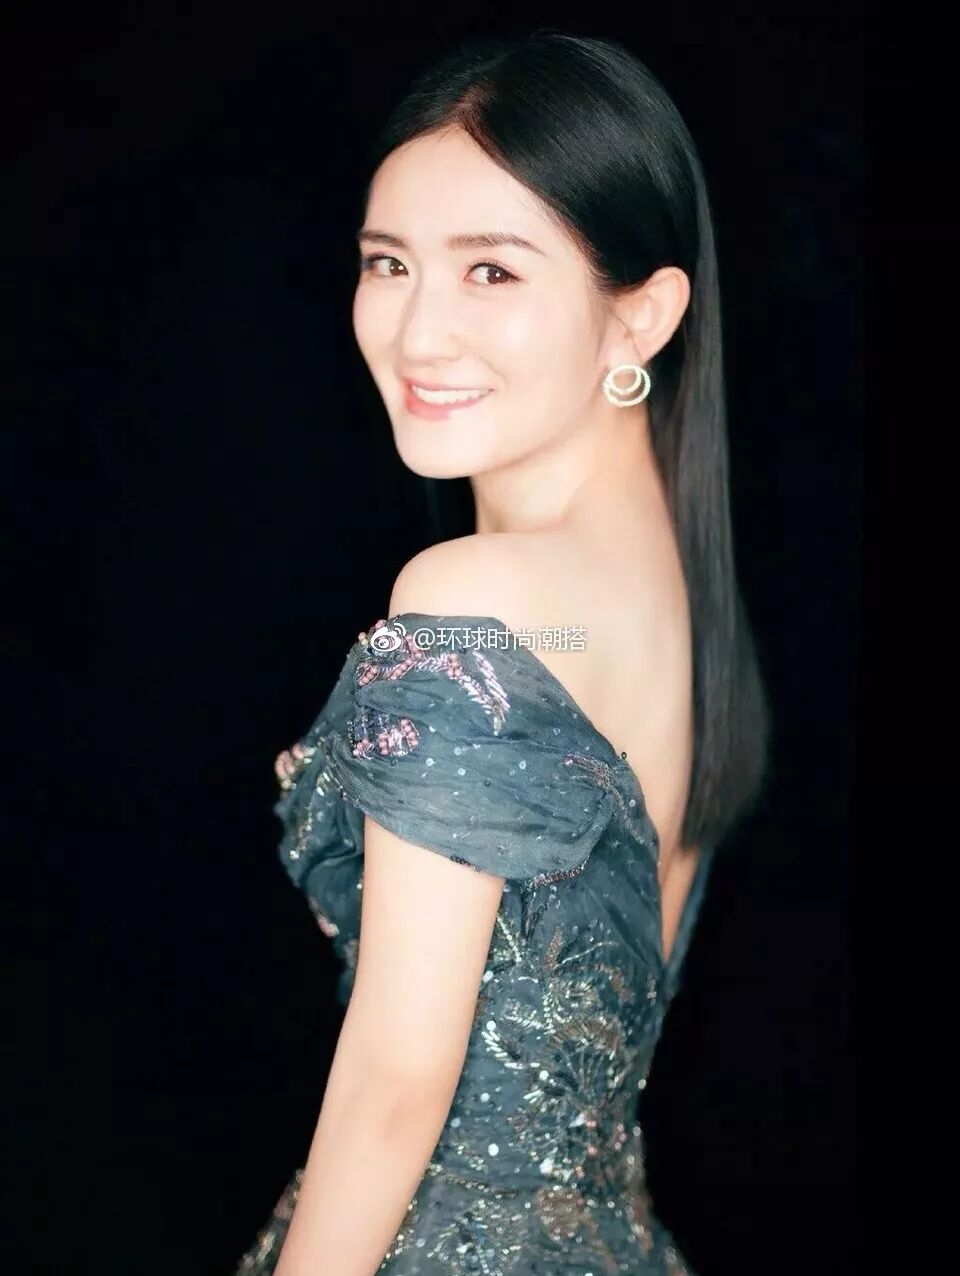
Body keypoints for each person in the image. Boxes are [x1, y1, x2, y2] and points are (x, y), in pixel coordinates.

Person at [235, 27, 770, 1276]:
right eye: (389, 262)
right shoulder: (672, 586)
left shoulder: (475, 600)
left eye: (490, 271)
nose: (419, 332)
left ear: (641, 316)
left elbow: (395, 1086)